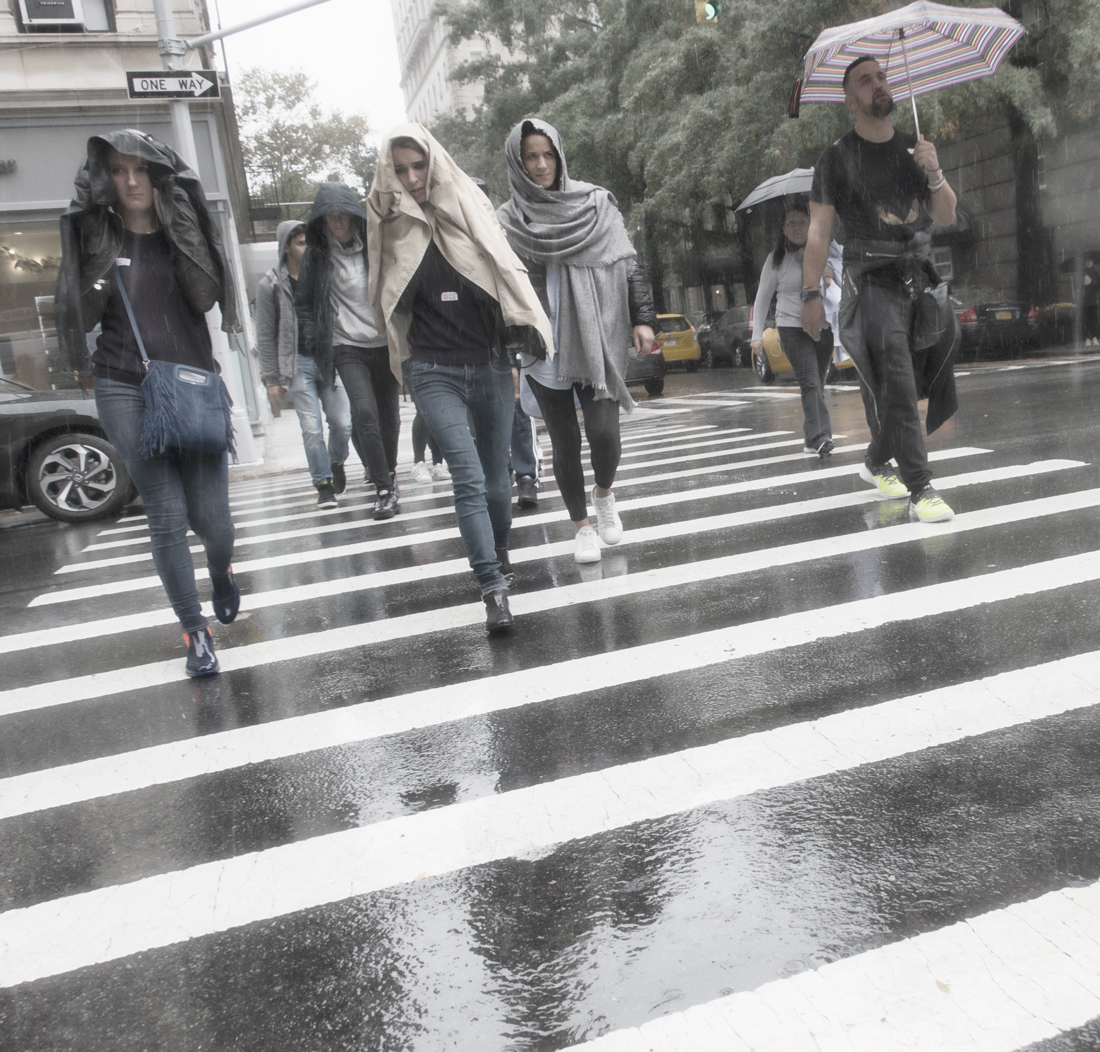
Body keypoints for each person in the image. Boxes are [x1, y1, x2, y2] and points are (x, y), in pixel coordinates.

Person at [55, 129, 239, 677]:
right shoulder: (100, 239)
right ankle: (195, 632)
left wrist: (176, 223)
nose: (130, 181)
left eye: (139, 170)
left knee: (214, 522)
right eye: (117, 171)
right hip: (122, 383)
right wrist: (92, 253)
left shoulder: (183, 233)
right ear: (103, 179)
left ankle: (222, 569)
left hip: (191, 383)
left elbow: (205, 297)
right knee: (165, 511)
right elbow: (81, 317)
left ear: (157, 176)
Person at [366, 124, 554, 634]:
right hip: (431, 369)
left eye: (418, 166)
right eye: (400, 170)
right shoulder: (388, 223)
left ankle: (497, 547)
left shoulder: (470, 209)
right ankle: (491, 586)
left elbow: (507, 271)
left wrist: (525, 325)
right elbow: (382, 290)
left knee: (497, 485)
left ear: (434, 163)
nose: (411, 178)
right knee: (468, 478)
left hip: (489, 362)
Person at [803, 56, 959, 523]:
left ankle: (875, 461)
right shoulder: (835, 158)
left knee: (930, 369)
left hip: (918, 276)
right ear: (850, 100)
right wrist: (810, 296)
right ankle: (921, 487)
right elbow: (817, 233)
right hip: (870, 279)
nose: (878, 86)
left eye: (882, 77)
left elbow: (947, 214)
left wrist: (935, 172)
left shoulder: (916, 149)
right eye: (865, 81)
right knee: (897, 375)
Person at [496, 118, 657, 563]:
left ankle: (603, 493)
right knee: (564, 441)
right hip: (541, 344)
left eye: (548, 154)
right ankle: (581, 525)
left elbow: (626, 262)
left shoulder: (595, 203)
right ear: (517, 160)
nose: (541, 164)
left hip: (596, 335)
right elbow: (500, 289)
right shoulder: (508, 220)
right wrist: (509, 346)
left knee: (605, 437)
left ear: (559, 155)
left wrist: (643, 318)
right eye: (531, 156)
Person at [296, 182, 401, 520]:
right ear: (322, 221)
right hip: (345, 345)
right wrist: (312, 345)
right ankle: (383, 488)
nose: (338, 223)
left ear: (355, 217)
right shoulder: (316, 254)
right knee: (364, 413)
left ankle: (391, 473)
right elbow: (305, 303)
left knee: (389, 417)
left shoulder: (374, 243)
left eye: (343, 217)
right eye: (331, 218)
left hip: (385, 342)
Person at [257, 220, 353, 507]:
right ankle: (323, 484)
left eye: (310, 242)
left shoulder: (325, 275)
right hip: (298, 364)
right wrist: (271, 379)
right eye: (301, 243)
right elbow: (265, 335)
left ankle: (336, 461)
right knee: (311, 429)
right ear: (286, 247)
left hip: (328, 359)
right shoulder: (270, 284)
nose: (308, 248)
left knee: (342, 424)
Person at [751, 204, 836, 458]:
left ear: (811, 224)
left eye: (802, 221)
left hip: (822, 328)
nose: (797, 227)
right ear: (783, 229)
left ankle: (811, 438)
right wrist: (756, 335)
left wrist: (830, 272)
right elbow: (762, 298)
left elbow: (840, 286)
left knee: (817, 383)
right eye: (791, 223)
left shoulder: (823, 251)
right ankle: (822, 437)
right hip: (790, 328)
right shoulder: (776, 260)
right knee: (809, 381)